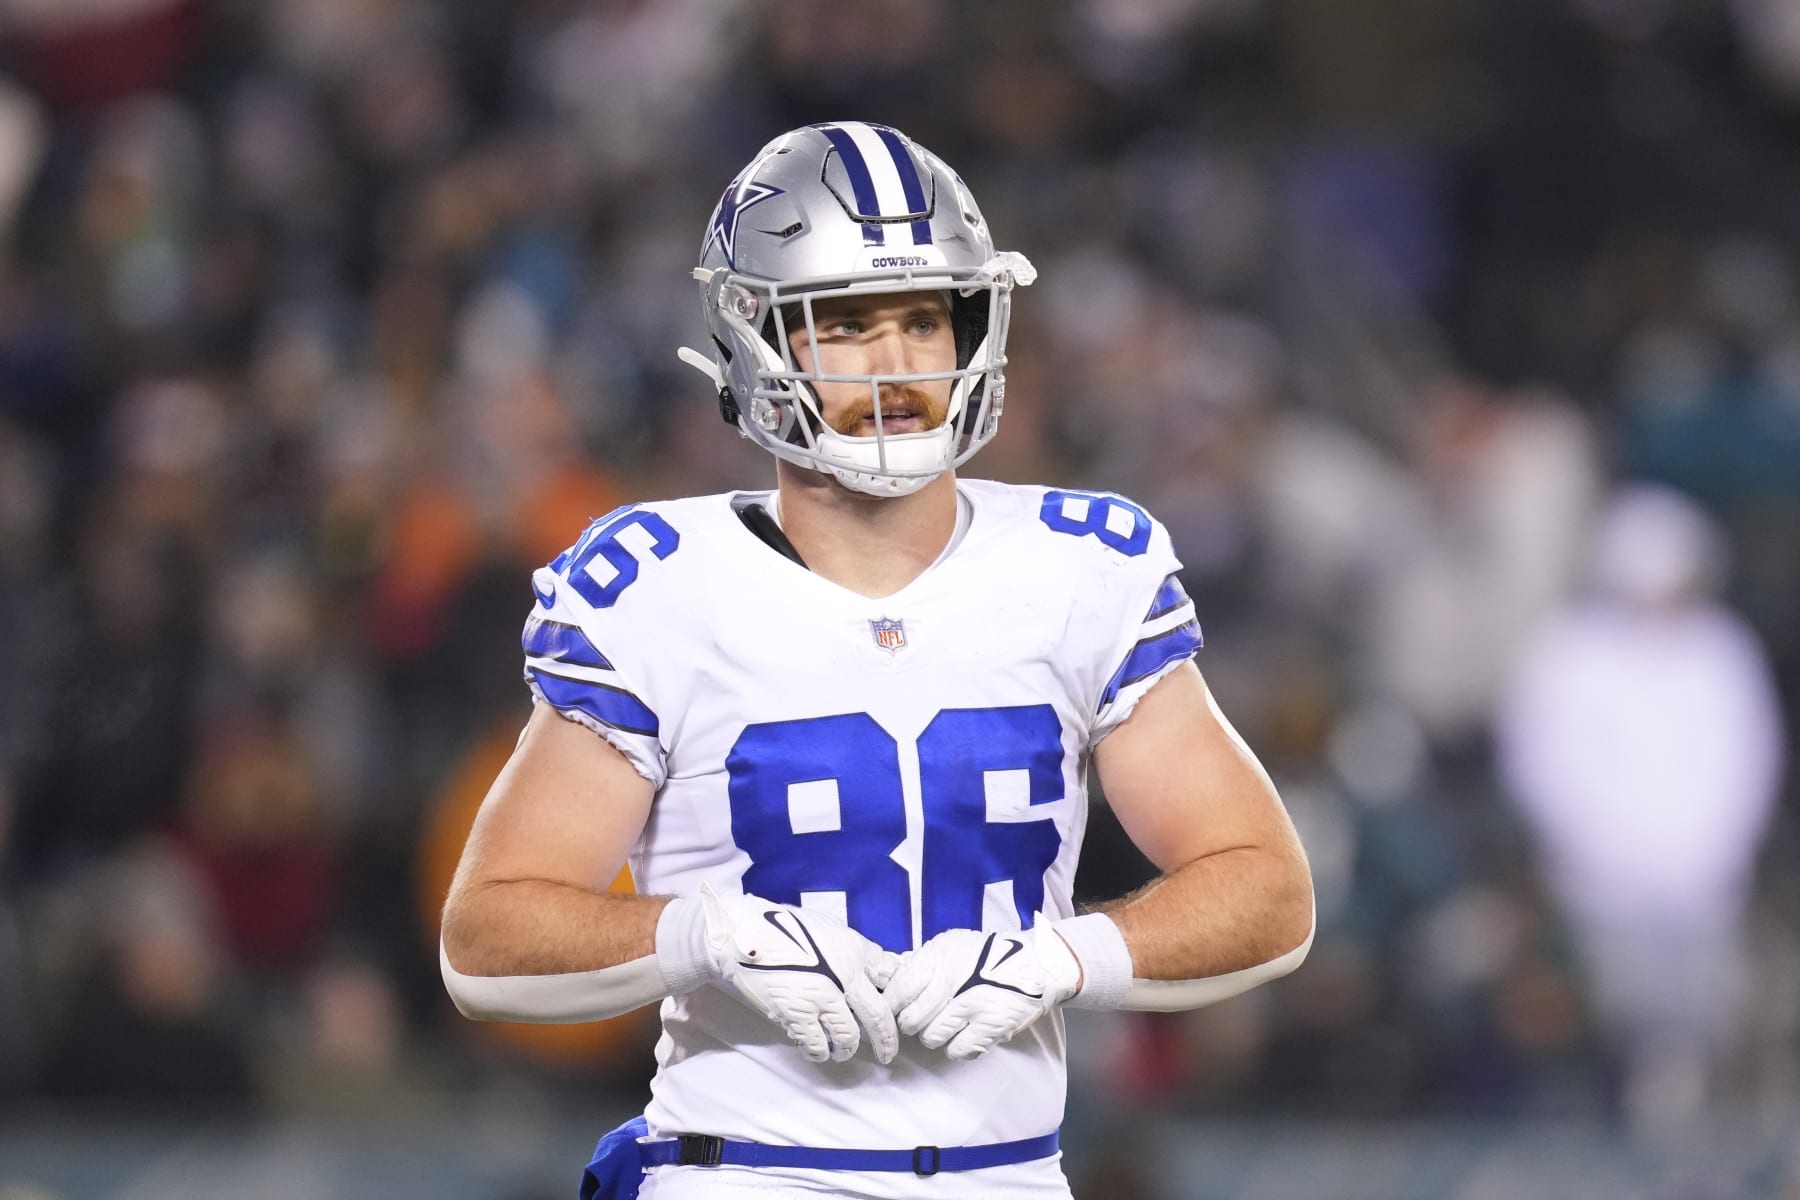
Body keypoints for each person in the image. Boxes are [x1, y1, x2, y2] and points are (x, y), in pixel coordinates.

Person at [439, 121, 1314, 1200]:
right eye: (846, 324)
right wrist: (702, 936)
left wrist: (1065, 956)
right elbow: (487, 936)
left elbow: (1265, 887)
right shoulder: (658, 583)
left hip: (1011, 1179)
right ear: (757, 338)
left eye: (922, 316)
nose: (898, 364)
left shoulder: (1081, 564)